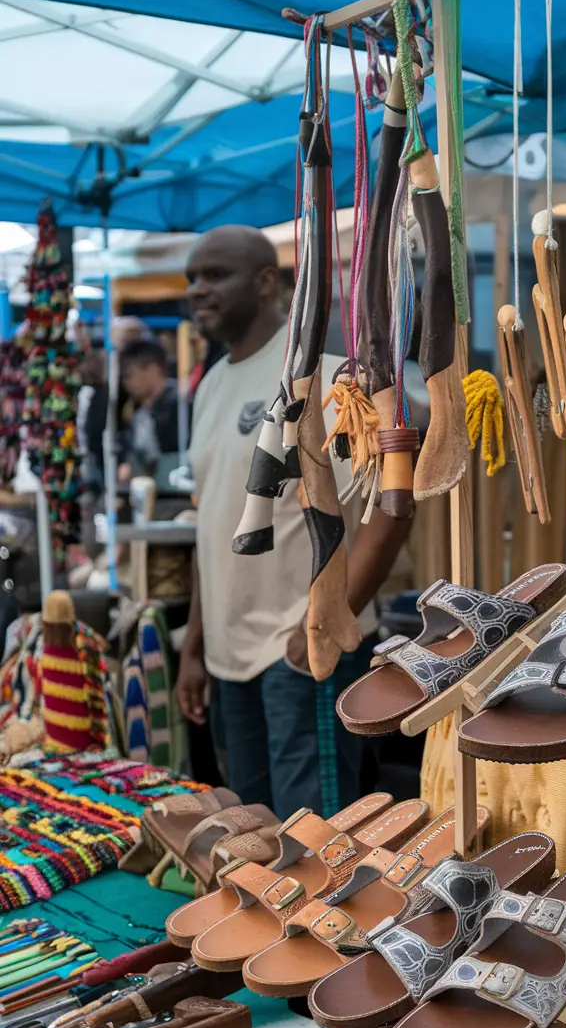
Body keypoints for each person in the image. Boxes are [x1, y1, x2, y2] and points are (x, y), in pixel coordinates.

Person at [177, 224, 410, 819]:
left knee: (319, 841)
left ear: (265, 282)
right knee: (255, 831)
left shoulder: (327, 375)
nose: (197, 290)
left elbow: (395, 503)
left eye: (214, 275)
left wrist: (334, 619)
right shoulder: (208, 388)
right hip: (231, 661)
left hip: (300, 650)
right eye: (192, 279)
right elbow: (214, 525)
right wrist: (195, 646)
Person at [118, 339, 180, 480]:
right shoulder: (139, 413)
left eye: (129, 375)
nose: (126, 383)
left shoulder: (179, 406)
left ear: (153, 369)